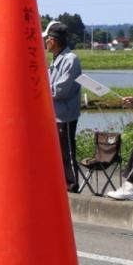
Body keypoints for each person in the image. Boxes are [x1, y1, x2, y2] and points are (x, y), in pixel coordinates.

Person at [45, 20, 81, 192]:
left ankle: (72, 185)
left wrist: (42, 90)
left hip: (65, 114)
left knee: (67, 152)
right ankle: (61, 184)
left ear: (54, 40)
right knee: (56, 153)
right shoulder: (56, 59)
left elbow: (61, 90)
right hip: (54, 114)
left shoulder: (70, 59)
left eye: (47, 39)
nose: (45, 42)